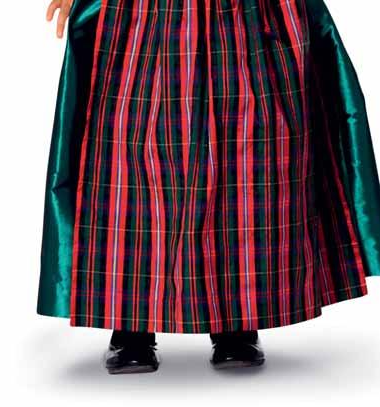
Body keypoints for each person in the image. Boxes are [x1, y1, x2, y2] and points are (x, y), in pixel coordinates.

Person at [39, 0, 380, 374]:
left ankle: (236, 321)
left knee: (246, 166)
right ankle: (131, 326)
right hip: (142, 17)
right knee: (130, 165)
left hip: (246, 17)